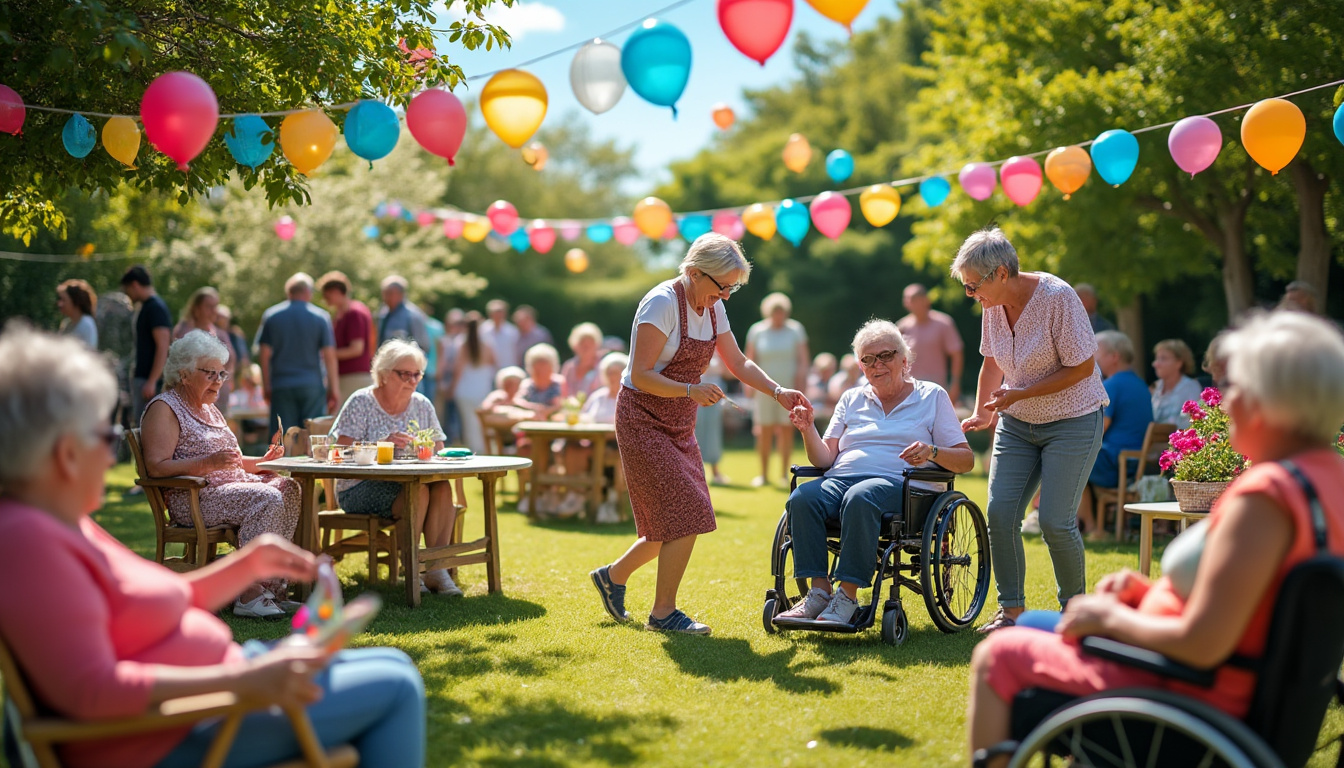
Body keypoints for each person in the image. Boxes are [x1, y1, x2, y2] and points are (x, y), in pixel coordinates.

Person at [0, 323, 427, 768]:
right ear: (65, 453)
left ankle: (263, 596)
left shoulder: (60, 523)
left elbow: (160, 604)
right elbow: (93, 693)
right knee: (399, 687)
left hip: (218, 691)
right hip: (172, 730)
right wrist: (241, 678)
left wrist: (247, 565)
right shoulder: (27, 542)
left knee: (396, 663)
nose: (112, 458)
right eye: (105, 439)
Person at [966, 311, 1344, 766]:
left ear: (1272, 400)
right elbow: (1250, 604)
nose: (1222, 404)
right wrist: (1145, 593)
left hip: (1191, 700)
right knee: (1030, 626)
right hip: (1228, 687)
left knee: (999, 653)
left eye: (1234, 388)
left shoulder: (1267, 500)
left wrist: (1109, 619)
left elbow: (1203, 642)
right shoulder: (1327, 482)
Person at [589, 233, 809, 636]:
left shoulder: (712, 306)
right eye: (722, 286)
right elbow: (640, 375)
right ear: (693, 273)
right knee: (687, 511)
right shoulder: (661, 303)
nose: (726, 296)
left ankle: (612, 577)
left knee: (670, 520)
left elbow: (739, 362)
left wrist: (778, 391)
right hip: (641, 416)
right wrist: (691, 390)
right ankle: (663, 614)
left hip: (679, 419)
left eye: (733, 288)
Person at [956, 227, 1108, 633]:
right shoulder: (993, 305)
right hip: (1017, 424)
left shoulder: (1058, 298)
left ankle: (1077, 613)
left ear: (1001, 273)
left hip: (1073, 420)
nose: (971, 295)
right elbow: (991, 360)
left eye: (974, 286)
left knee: (1056, 522)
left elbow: (1082, 367)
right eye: (968, 287)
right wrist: (983, 413)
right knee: (1000, 514)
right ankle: (1012, 613)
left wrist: (1019, 392)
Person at [776, 320, 973, 624]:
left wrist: (932, 452)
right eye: (868, 359)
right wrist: (807, 429)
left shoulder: (931, 396)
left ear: (904, 360)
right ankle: (818, 593)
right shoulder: (851, 398)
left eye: (885, 356)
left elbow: (965, 460)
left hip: (902, 487)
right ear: (860, 366)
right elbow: (825, 459)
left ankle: (847, 597)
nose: (876, 365)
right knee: (802, 498)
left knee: (861, 496)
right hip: (841, 479)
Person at [140, 331, 299, 618]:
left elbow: (232, 461)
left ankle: (270, 589)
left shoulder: (210, 409)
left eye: (221, 374)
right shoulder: (164, 409)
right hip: (193, 497)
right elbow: (156, 466)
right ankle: (247, 591)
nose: (218, 381)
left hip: (229, 490)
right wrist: (207, 463)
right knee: (267, 498)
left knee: (289, 489)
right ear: (184, 374)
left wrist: (263, 462)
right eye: (210, 373)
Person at [329, 340, 462, 596]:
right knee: (418, 492)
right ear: (385, 373)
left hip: (411, 481)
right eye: (405, 374)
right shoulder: (361, 402)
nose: (412, 381)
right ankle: (412, 567)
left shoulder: (422, 404)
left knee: (442, 488)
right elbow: (340, 452)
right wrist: (379, 445)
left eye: (417, 374)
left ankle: (436, 570)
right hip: (358, 487)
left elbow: (439, 448)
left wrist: (427, 449)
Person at [1077, 331, 1154, 537]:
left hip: (1116, 464)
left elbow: (1097, 430)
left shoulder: (1111, 385)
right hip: (1135, 464)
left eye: (1097, 353)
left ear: (1114, 357)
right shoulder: (1140, 385)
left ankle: (1094, 530)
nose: (1092, 358)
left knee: (1071, 459)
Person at [745, 292, 810, 487]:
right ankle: (763, 474)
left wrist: (801, 385)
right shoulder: (757, 330)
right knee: (763, 430)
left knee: (786, 430)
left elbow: (803, 360)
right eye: (774, 311)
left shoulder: (796, 330)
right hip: (763, 389)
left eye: (781, 311)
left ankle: (783, 474)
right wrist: (748, 386)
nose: (778, 315)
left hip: (789, 388)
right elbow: (749, 360)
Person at [121, 265, 173, 426]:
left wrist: (152, 380)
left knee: (147, 428)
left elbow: (163, 345)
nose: (127, 294)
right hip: (143, 378)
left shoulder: (155, 307)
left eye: (127, 289)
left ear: (135, 285)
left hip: (149, 381)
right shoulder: (146, 307)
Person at [897, 283, 965, 404]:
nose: (908, 302)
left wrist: (955, 383)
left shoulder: (943, 323)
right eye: (906, 299)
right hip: (908, 391)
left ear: (925, 300)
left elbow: (956, 354)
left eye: (912, 299)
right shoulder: (902, 327)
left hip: (936, 390)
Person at [173, 287, 235, 414]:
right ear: (196, 309)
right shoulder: (184, 331)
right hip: (192, 398)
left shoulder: (221, 333)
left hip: (219, 396)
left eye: (215, 306)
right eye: (208, 306)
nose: (214, 311)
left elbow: (231, 361)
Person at [319, 271, 375, 411]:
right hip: (345, 377)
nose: (325, 300)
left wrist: (328, 354)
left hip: (355, 376)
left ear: (337, 291)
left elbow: (357, 349)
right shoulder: (340, 315)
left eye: (327, 295)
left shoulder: (354, 312)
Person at [452, 312, 498, 455]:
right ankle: (486, 449)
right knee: (482, 422)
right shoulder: (487, 342)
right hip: (482, 389)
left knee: (469, 423)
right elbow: (494, 362)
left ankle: (475, 449)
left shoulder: (461, 342)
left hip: (465, 389)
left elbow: (458, 369)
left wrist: (452, 387)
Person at [1150, 338, 1203, 428]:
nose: (1155, 364)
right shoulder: (1155, 387)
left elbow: (1192, 424)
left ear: (1179, 363)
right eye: (1156, 358)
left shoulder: (1190, 388)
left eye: (1163, 358)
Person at [694, 351, 729, 486]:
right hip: (695, 395)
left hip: (715, 398)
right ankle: (696, 472)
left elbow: (727, 373)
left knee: (713, 433)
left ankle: (715, 472)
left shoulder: (720, 349)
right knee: (696, 433)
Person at [376, 275, 430, 353]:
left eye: (389, 293)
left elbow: (423, 346)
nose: (385, 297)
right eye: (384, 293)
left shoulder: (413, 315)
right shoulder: (383, 314)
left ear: (400, 294)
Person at [436, 308, 466, 443]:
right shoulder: (445, 340)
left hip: (462, 380)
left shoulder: (463, 341)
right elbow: (442, 362)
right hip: (448, 379)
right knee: (447, 412)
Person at [515, 343, 565, 420]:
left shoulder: (559, 382)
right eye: (537, 366)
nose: (541, 371)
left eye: (544, 365)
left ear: (552, 367)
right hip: (529, 419)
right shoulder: (527, 384)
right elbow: (517, 401)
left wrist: (546, 411)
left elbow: (560, 404)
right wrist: (535, 408)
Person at [561, 322, 605, 397]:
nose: (586, 347)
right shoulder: (569, 367)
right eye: (582, 343)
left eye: (590, 342)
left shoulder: (604, 365)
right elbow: (563, 393)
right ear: (575, 345)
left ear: (597, 345)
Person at [56, 278, 98, 348]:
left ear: (75, 301)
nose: (59, 304)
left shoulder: (85, 324)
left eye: (63, 300)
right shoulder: (68, 324)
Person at [480, 298, 521, 370]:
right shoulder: (482, 330)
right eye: (496, 312)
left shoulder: (512, 331)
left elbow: (517, 352)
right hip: (488, 370)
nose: (498, 315)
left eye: (500, 312)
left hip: (507, 369)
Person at [214, 304, 250, 374]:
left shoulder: (235, 334)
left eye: (225, 318)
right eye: (219, 317)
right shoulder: (211, 334)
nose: (223, 321)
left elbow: (244, 357)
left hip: (234, 373)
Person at [806, 352, 838, 422]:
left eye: (829, 370)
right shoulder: (811, 382)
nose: (827, 373)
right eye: (824, 370)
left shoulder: (836, 382)